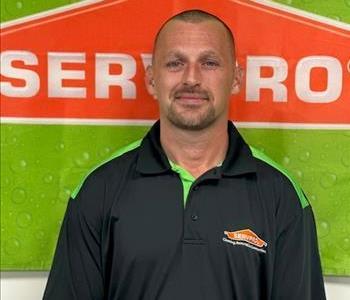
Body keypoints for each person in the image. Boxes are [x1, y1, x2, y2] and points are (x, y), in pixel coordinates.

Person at [43, 9, 326, 300]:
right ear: (152, 79)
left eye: (209, 62)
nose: (192, 78)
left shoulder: (282, 195)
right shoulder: (98, 190)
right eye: (175, 63)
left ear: (236, 78)